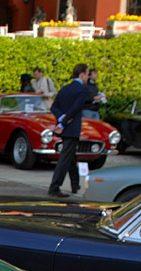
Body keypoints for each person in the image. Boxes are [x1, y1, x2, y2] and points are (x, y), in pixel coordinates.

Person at [48, 63, 89, 198]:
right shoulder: (82, 90)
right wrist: (66, 120)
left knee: (71, 156)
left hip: (64, 126)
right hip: (71, 127)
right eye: (87, 74)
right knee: (65, 158)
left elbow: (54, 107)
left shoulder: (65, 89)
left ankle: (75, 183)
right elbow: (76, 108)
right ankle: (55, 186)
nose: (88, 77)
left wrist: (61, 118)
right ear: (82, 74)